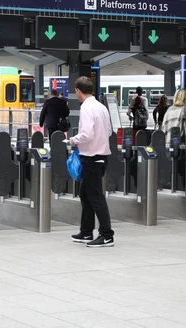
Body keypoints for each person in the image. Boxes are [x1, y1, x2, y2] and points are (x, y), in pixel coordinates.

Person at [69, 76, 114, 248]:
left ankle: (107, 234)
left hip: (92, 157)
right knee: (85, 194)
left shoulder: (87, 108)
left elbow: (86, 134)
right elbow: (109, 131)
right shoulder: (101, 107)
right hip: (101, 157)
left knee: (95, 197)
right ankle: (86, 231)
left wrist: (73, 140)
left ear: (78, 91)